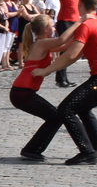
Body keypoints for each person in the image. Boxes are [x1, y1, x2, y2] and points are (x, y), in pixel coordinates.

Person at [36, 0, 97, 164]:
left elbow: (71, 55)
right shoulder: (96, 21)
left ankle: (88, 152)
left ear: (80, 3)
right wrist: (46, 49)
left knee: (66, 109)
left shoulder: (87, 25)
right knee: (82, 109)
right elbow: (73, 49)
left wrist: (46, 70)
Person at [10, 15, 65, 160]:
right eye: (52, 26)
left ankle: (32, 149)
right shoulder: (42, 43)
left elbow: (66, 45)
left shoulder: (43, 43)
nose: (54, 28)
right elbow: (62, 40)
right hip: (22, 93)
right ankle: (31, 150)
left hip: (23, 92)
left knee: (54, 118)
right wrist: (80, 23)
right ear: (45, 29)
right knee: (56, 117)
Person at [52, 0, 81, 87]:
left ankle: (63, 78)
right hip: (65, 21)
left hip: (74, 22)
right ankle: (60, 79)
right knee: (64, 50)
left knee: (69, 50)